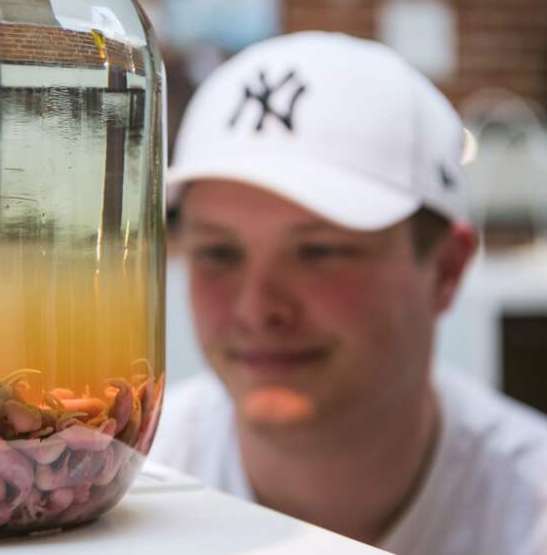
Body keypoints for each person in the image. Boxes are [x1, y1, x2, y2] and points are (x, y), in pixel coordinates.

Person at [150, 31, 547, 554]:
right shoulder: (121, 491)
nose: (257, 308)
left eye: (319, 253)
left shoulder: (529, 513)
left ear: (446, 270)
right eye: (219, 253)